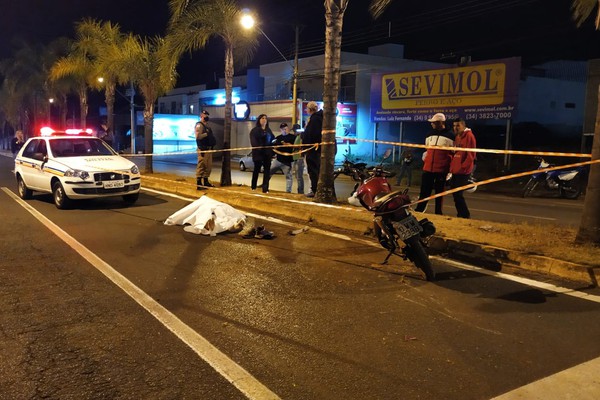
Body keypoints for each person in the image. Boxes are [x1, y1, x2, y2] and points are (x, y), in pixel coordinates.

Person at [415, 113, 454, 215]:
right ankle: (420, 210)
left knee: (439, 193)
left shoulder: (451, 136)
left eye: (433, 122)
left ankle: (438, 212)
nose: (431, 124)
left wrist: (450, 171)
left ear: (440, 123)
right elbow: (427, 149)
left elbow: (453, 153)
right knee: (424, 191)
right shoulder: (429, 134)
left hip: (442, 170)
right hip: (428, 168)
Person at [449, 118, 477, 218]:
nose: (455, 128)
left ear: (463, 126)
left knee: (458, 193)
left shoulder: (469, 136)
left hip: (463, 171)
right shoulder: (457, 137)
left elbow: (471, 155)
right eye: (454, 126)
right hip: (456, 170)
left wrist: (464, 167)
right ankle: (461, 214)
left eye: (458, 126)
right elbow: (456, 153)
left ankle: (465, 215)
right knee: (454, 191)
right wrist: (452, 168)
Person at [301, 101, 323, 197]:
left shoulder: (315, 119)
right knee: (315, 170)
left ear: (310, 109)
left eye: (307, 109)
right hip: (314, 149)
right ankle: (315, 190)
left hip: (312, 149)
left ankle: (314, 190)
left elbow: (311, 134)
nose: (306, 110)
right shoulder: (319, 118)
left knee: (313, 171)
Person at [249, 114, 275, 193]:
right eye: (262, 118)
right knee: (256, 170)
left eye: (265, 118)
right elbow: (254, 143)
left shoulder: (268, 130)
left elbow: (273, 140)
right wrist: (260, 148)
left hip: (267, 154)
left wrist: (273, 147)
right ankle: (253, 186)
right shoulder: (254, 130)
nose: (264, 120)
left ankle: (265, 188)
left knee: (267, 171)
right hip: (258, 154)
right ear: (259, 120)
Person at [270, 123, 295, 193]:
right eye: (282, 129)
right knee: (268, 172)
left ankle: (288, 191)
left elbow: (297, 146)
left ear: (288, 129)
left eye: (285, 129)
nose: (284, 130)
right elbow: (272, 145)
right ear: (280, 130)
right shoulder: (277, 138)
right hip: (278, 160)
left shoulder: (293, 137)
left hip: (287, 161)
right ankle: (264, 185)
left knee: (289, 177)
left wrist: (290, 145)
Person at [195, 110, 215, 189]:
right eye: (205, 115)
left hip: (208, 148)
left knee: (208, 166)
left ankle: (206, 182)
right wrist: (206, 134)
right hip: (202, 149)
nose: (206, 117)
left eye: (207, 115)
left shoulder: (207, 126)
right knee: (201, 165)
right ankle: (199, 183)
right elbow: (198, 136)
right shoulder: (199, 125)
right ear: (201, 116)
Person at [291, 124, 305, 194]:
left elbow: (301, 146)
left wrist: (291, 146)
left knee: (299, 176)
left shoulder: (301, 136)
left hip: (299, 158)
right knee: (297, 176)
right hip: (296, 158)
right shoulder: (297, 137)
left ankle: (300, 191)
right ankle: (299, 190)